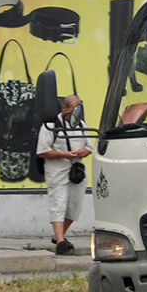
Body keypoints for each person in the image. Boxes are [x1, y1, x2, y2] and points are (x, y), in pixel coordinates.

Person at [36, 95, 92, 255]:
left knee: (75, 207)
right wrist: (64, 154)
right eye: (75, 108)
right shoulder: (50, 126)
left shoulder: (81, 124)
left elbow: (90, 146)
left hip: (77, 170)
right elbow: (42, 151)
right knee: (58, 204)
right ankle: (60, 241)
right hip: (57, 171)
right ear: (65, 108)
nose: (77, 112)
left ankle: (59, 235)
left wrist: (84, 152)